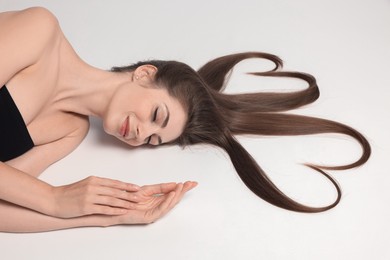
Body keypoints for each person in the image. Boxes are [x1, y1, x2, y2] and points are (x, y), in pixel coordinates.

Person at [0, 7, 370, 233]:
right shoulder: (40, 31)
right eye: (156, 115)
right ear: (145, 73)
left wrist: (106, 217)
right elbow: (47, 198)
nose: (142, 133)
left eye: (153, 140)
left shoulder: (70, 131)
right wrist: (52, 198)